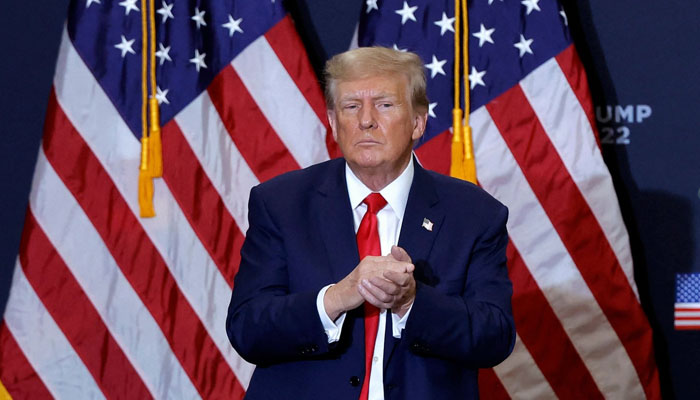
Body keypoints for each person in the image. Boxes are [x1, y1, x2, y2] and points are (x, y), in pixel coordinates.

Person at [226, 46, 515, 399]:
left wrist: (412, 303)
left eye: (384, 104)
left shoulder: (474, 214)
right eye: (351, 106)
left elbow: (495, 337)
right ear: (334, 123)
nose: (366, 119)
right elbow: (247, 328)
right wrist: (334, 298)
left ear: (418, 123)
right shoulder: (281, 204)